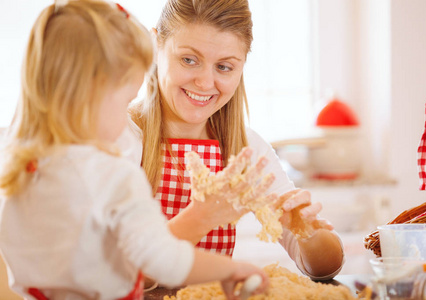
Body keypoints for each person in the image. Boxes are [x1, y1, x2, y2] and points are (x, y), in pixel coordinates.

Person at [0, 1, 269, 299]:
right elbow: (163, 258)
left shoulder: (20, 170)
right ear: (91, 94)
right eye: (127, 96)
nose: (128, 110)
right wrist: (232, 270)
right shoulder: (112, 175)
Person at [124, 0, 345, 282]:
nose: (205, 82)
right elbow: (112, 271)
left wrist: (308, 233)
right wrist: (202, 216)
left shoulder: (245, 149)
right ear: (155, 46)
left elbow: (325, 268)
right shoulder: (122, 137)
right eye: (189, 60)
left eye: (224, 67)